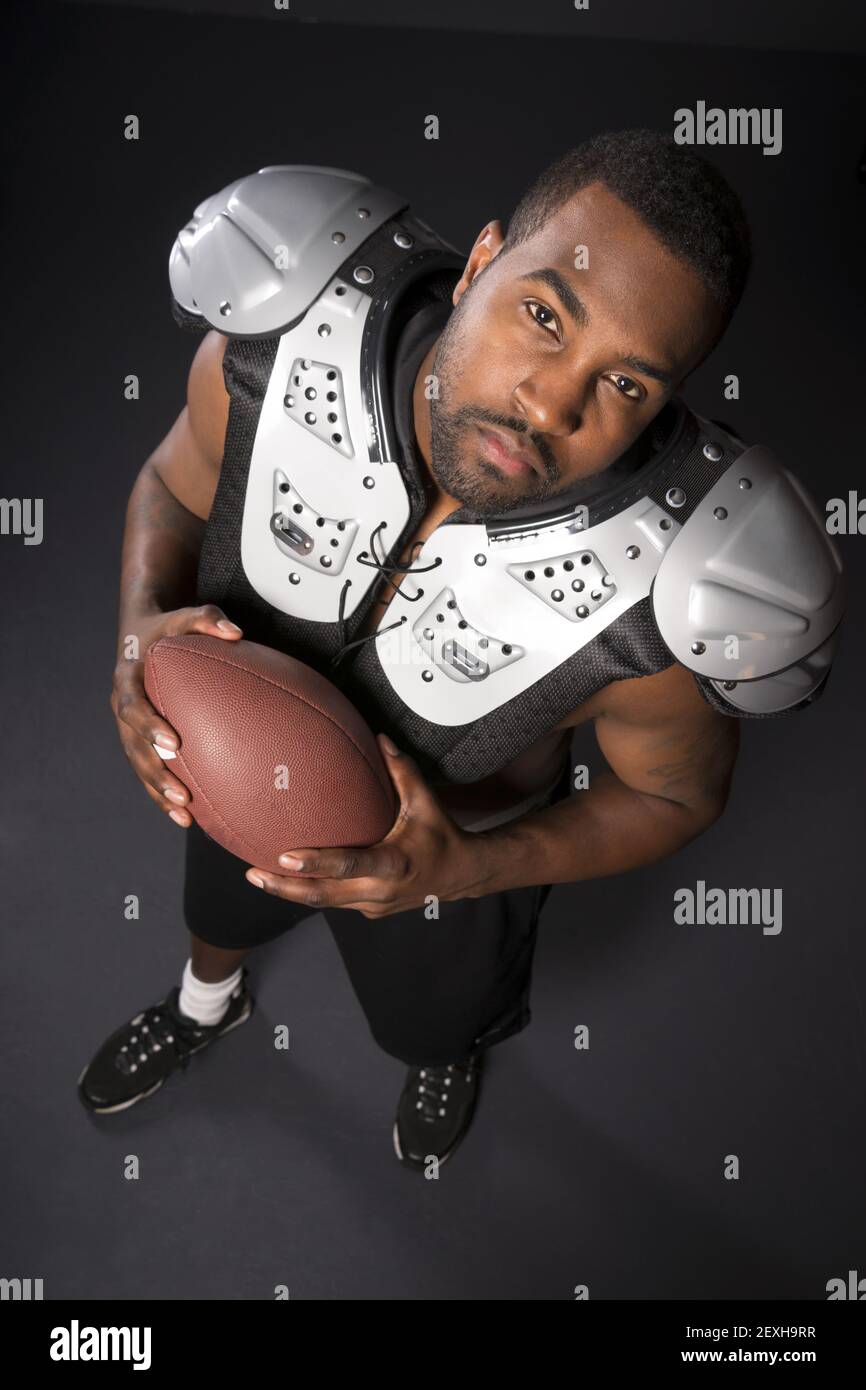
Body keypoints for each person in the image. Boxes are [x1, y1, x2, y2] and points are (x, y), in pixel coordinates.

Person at [78, 130, 844, 1171]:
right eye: (542, 316)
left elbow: (675, 797)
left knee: (429, 1020)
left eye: (624, 385)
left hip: (451, 860)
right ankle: (206, 1002)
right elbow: (172, 484)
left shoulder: (663, 592)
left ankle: (443, 1053)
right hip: (241, 762)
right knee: (216, 907)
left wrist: (470, 864)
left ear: (668, 405)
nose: (548, 403)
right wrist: (136, 636)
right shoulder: (284, 341)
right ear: (481, 259)